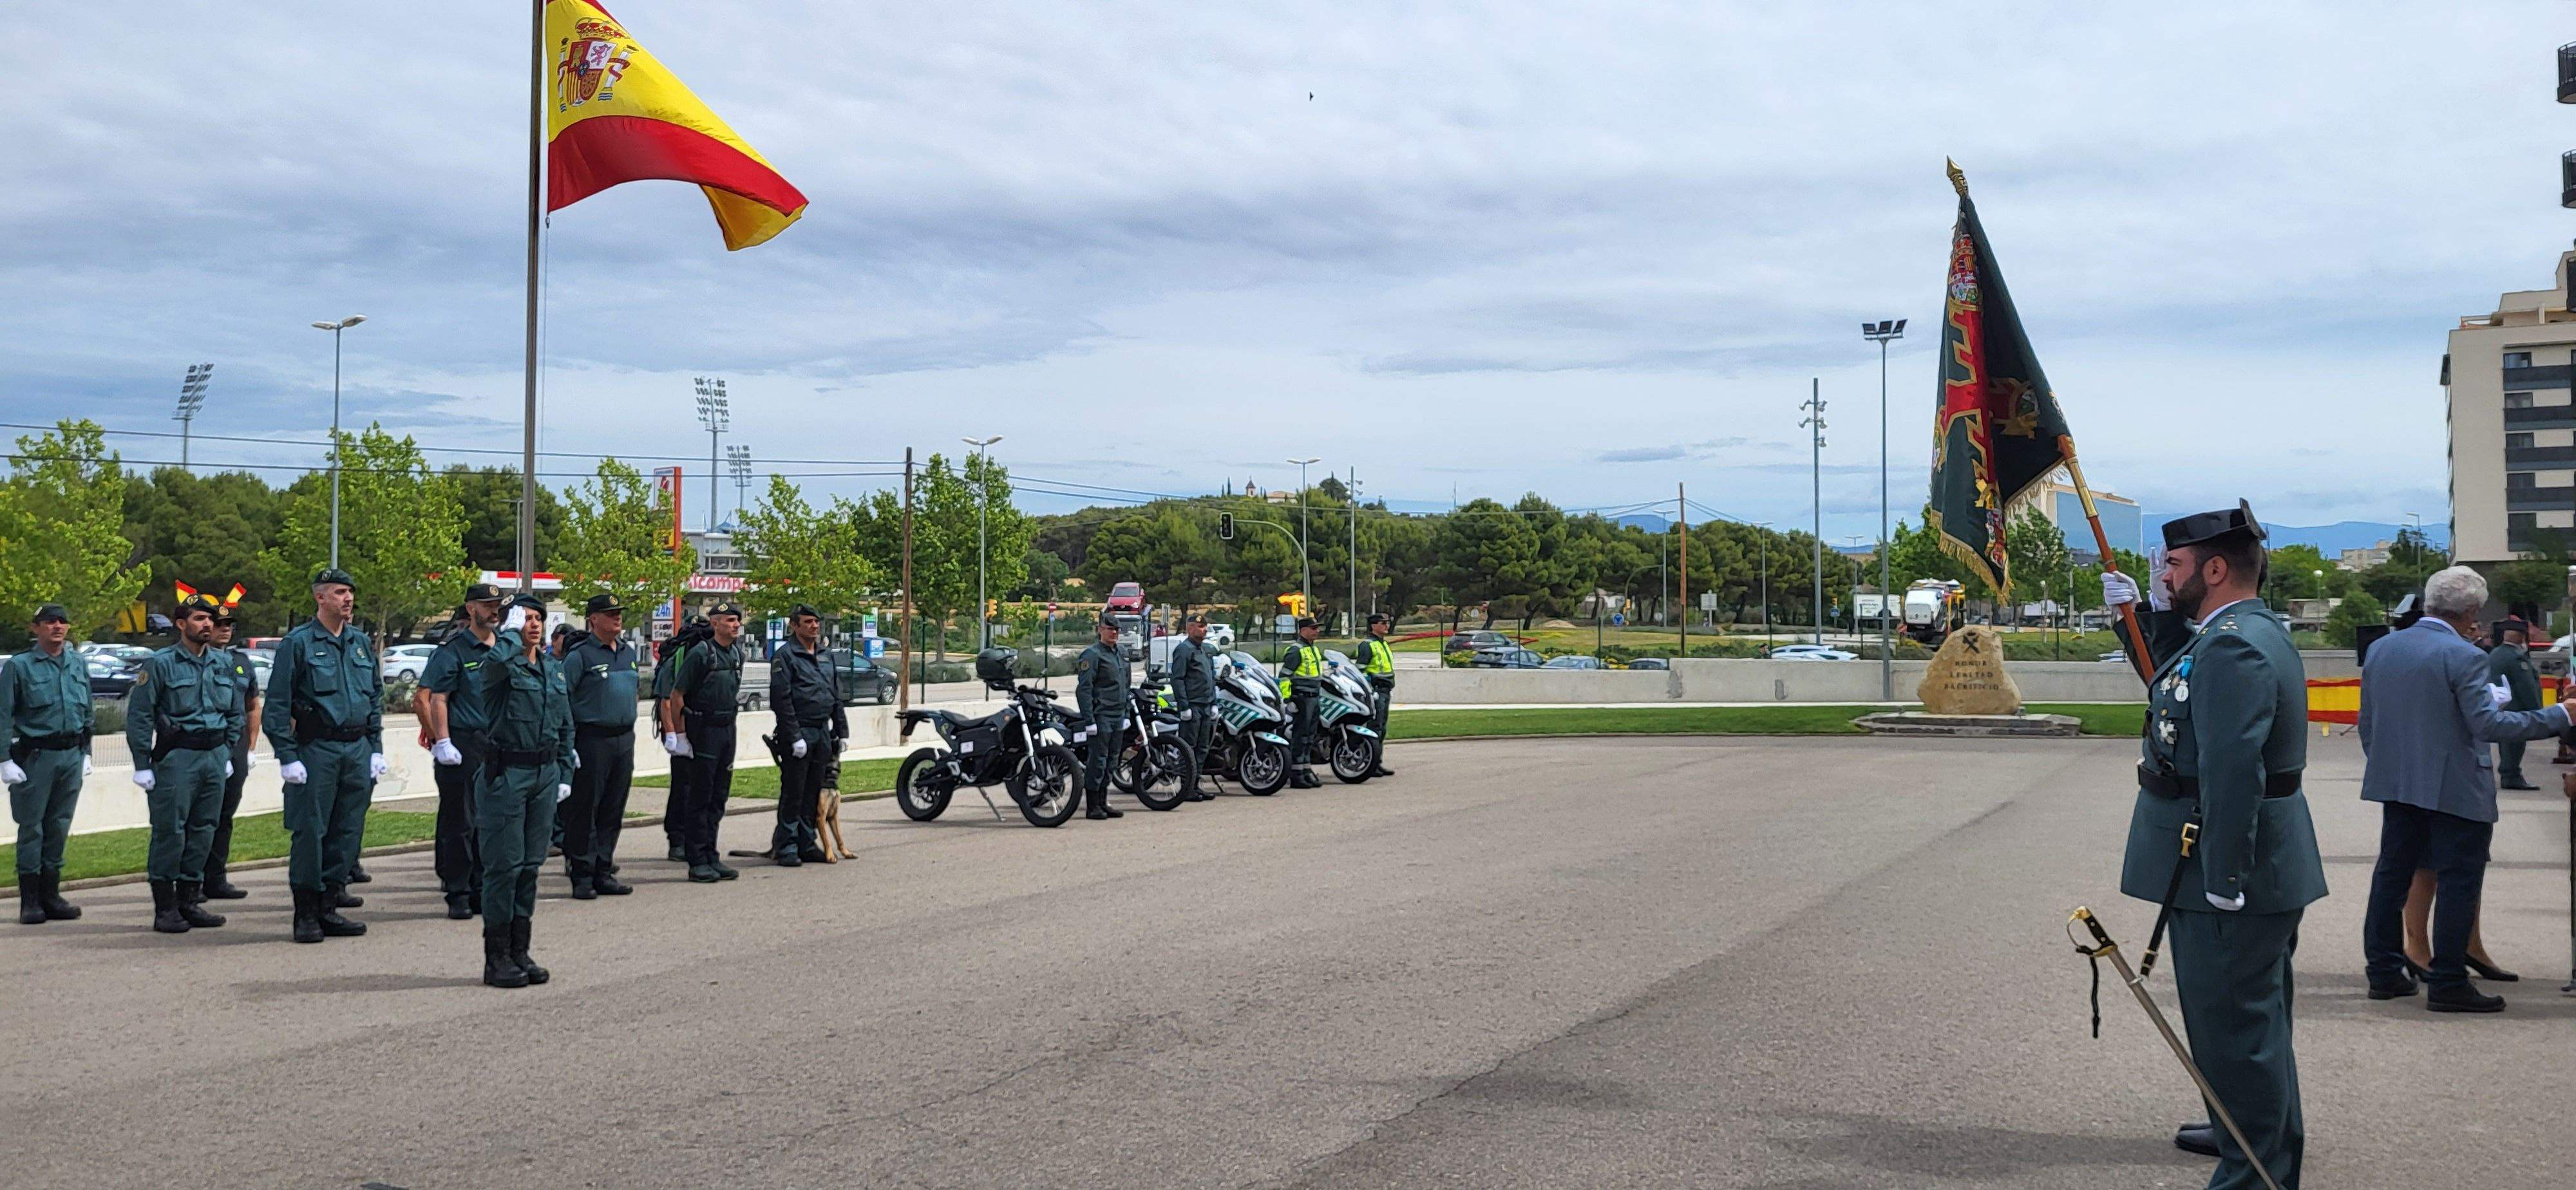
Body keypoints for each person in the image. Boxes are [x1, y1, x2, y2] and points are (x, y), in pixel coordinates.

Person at [2111, 501, 2325, 1190]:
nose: (2162, 576)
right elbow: (2170, 675)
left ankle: (2254, 1172)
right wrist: (2140, 619)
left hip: (2225, 866)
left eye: (2171, 566)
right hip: (2228, 861)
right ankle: (2253, 1138)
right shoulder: (2235, 631)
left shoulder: (2233, 644)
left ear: (2213, 567)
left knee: (2236, 1036)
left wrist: (2223, 871)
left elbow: (2235, 769)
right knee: (2246, 1031)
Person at [2358, 565, 2573, 1014]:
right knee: (2459, 881)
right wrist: (2561, 716)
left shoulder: (2382, 649)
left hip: (2397, 781)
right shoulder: (2464, 656)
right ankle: (2450, 981)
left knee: (2392, 876)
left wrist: (2388, 764)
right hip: (2455, 786)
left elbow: (2368, 723)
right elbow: (2490, 724)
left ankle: (2383, 972)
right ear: (2471, 611)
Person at [264, 567, 385, 943]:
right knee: (310, 833)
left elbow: (375, 698)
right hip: (317, 750)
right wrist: (287, 756)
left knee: (347, 831)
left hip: (356, 748)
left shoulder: (361, 643)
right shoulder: (298, 644)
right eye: (339, 592)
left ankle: (331, 907)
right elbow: (277, 705)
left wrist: (376, 748)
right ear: (320, 598)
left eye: (350, 592)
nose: (347, 599)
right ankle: (306, 914)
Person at [126, 592, 243, 933]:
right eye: (198, 619)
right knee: (170, 832)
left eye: (209, 619)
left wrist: (227, 750)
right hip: (176, 758)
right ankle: (165, 907)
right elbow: (139, 716)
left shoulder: (222, 663)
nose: (206, 624)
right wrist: (141, 763)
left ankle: (190, 901)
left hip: (212, 756)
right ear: (181, 624)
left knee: (205, 829)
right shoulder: (160, 664)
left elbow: (235, 711)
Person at [476, 594, 574, 988]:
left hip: (544, 774)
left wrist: (564, 769)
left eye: (538, 619)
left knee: (532, 866)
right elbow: (495, 663)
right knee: (505, 866)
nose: (534, 624)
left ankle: (520, 950)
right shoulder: (501, 664)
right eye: (526, 618)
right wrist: (510, 633)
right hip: (508, 773)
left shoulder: (553, 667)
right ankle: (496, 957)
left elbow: (565, 723)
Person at [5, 603, 93, 925]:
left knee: (59, 825)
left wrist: (87, 751)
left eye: (62, 621)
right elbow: (4, 715)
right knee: (32, 828)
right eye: (49, 622)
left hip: (70, 754)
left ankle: (51, 895)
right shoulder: (20, 667)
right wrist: (3, 759)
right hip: (36, 757)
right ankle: (30, 901)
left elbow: (87, 712)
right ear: (36, 628)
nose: (57, 626)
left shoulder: (77, 663)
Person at [420, 583, 502, 918]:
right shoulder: (453, 650)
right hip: (464, 742)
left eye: (496, 605)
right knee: (461, 821)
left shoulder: (505, 648)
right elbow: (438, 698)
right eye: (486, 605)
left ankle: (483, 888)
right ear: (471, 609)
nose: (493, 610)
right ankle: (458, 891)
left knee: (491, 820)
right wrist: (442, 741)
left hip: (496, 741)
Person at [562, 592, 641, 898]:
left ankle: (603, 870)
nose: (617, 618)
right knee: (586, 809)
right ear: (594, 619)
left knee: (613, 808)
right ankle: (582, 874)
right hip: (592, 739)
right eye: (610, 614)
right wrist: (568, 742)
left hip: (623, 738)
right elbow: (564, 699)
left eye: (619, 613)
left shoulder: (627, 652)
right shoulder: (580, 656)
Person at [664, 601, 748, 883]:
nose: (735, 625)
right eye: (729, 620)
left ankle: (712, 854)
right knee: (700, 796)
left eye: (737, 620)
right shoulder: (702, 653)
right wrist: (681, 735)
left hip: (727, 729)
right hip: (704, 731)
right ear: (715, 624)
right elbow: (677, 695)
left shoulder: (737, 654)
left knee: (718, 797)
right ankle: (697, 858)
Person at [769, 603, 846, 864]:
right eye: (808, 622)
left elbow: (834, 694)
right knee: (794, 790)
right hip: (799, 731)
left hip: (822, 732)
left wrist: (842, 730)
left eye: (816, 622)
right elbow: (781, 700)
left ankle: (806, 841)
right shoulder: (786, 656)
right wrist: (794, 736)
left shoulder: (825, 655)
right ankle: (787, 845)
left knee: (813, 790)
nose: (814, 626)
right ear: (794, 626)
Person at [202, 606, 260, 903]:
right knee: (199, 816)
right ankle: (190, 880)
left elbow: (252, 706)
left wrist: (250, 747)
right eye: (219, 624)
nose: (225, 629)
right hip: (207, 743)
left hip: (235, 746)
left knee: (225, 814)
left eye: (229, 624)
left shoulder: (241, 662)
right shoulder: (198, 660)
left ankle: (216, 877)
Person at [654, 614, 711, 862]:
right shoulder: (680, 656)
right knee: (682, 788)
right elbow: (666, 700)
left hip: (704, 731)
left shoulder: (710, 655)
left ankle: (696, 839)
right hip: (682, 732)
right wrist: (674, 736)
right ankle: (677, 839)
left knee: (702, 787)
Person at [1074, 618, 1129, 820]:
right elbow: (1085, 689)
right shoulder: (1093, 655)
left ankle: (1104, 802)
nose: (1114, 633)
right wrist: (1089, 720)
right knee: (1098, 760)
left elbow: (1126, 684)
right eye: (1110, 629)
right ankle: (1092, 806)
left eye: (1117, 630)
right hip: (1102, 715)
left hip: (1118, 713)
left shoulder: (1121, 653)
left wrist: (1127, 713)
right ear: (1100, 630)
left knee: (1112, 761)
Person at [2485, 618, 2542, 791]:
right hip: (2516, 709)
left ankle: (2508, 774)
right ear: (2521, 637)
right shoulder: (2516, 658)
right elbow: (2526, 687)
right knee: (2515, 745)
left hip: (2500, 708)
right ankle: (2511, 776)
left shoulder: (2495, 654)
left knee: (2506, 744)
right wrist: (2537, 711)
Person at [1168, 616, 1218, 800]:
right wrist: (1184, 706)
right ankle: (1186, 788)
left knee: (1202, 748)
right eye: (1200, 626)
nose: (1204, 629)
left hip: (1205, 705)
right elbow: (1178, 679)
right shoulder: (1184, 650)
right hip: (1193, 706)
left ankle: (1195, 785)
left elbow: (1211, 678)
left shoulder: (1204, 650)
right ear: (1190, 629)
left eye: (1205, 626)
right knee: (1189, 748)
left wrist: (1214, 703)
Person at [1278, 618, 1329, 788]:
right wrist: (1288, 700)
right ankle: (1296, 774)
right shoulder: (1296, 650)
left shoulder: (1312, 649)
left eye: (1317, 628)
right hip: (1301, 698)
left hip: (1314, 697)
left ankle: (1306, 770)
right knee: (1300, 737)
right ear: (1303, 630)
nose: (1317, 631)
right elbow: (1284, 677)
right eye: (1313, 628)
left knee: (1310, 736)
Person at [1358, 612, 1398, 777]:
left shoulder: (1383, 644)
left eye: (1387, 623)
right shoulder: (1368, 645)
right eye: (1383, 623)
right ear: (1374, 626)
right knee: (1375, 728)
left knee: (1381, 729)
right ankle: (1370, 763)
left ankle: (1377, 762)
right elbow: (1360, 670)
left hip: (1386, 689)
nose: (1386, 626)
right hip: (1376, 690)